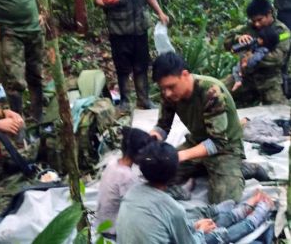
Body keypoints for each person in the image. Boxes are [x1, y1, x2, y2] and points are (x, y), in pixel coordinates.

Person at [116, 141, 274, 244]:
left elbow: (164, 226)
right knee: (216, 236)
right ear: (173, 173)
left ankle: (242, 210)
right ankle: (255, 215)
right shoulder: (172, 209)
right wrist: (199, 232)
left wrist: (194, 227)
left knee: (203, 221)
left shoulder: (132, 193)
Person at [150, 52, 244, 204]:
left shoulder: (211, 92)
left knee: (224, 203)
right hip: (196, 142)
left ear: (185, 75)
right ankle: (203, 168)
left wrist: (181, 156)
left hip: (226, 148)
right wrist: (153, 137)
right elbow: (163, 126)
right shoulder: (169, 93)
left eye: (171, 87)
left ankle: (242, 169)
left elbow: (217, 143)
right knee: (156, 174)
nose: (167, 93)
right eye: (163, 88)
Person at [95, 0, 169, 114]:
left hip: (140, 28)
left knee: (141, 66)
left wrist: (160, 12)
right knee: (122, 68)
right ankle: (125, 101)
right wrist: (108, 2)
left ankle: (144, 99)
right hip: (119, 29)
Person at [224, 0, 290, 105]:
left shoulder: (282, 31)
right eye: (254, 21)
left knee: (280, 113)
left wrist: (250, 58)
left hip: (269, 80)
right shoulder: (249, 27)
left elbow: (277, 58)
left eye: (260, 20)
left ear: (269, 13)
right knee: (216, 92)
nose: (257, 24)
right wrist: (238, 38)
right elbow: (226, 42)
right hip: (246, 77)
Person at [94, 127, 155, 239]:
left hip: (101, 223)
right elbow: (137, 206)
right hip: (112, 230)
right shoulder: (127, 176)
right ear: (138, 153)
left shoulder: (113, 162)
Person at [0, 0, 44, 123]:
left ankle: (39, 118)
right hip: (10, 32)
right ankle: (17, 125)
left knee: (36, 75)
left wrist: (42, 11)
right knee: (15, 81)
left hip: (34, 28)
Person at [231, 26, 279, 92]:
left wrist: (246, 64)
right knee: (236, 68)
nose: (258, 39)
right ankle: (238, 79)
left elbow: (255, 59)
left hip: (251, 68)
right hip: (248, 65)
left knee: (235, 69)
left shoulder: (263, 50)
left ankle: (238, 81)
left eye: (260, 38)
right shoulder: (258, 45)